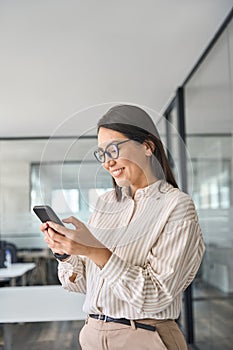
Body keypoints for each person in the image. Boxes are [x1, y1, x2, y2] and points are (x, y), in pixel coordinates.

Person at [41, 104, 205, 350]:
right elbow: (83, 284)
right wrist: (67, 252)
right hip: (92, 335)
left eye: (114, 149)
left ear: (147, 146)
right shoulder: (106, 203)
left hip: (144, 336)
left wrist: (95, 251)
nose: (107, 162)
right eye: (102, 154)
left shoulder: (176, 206)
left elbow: (156, 295)